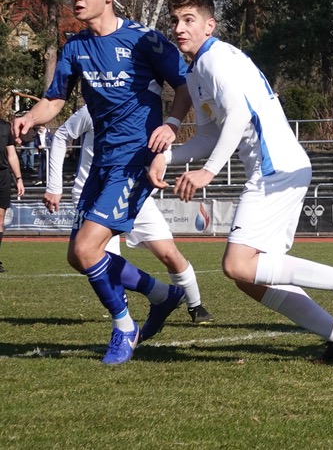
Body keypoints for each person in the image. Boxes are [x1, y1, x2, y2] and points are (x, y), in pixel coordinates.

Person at [148, 0, 333, 362]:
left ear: (209, 25)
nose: (179, 28)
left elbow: (238, 117)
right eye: (174, 21)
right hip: (275, 170)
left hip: (275, 169)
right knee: (250, 279)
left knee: (237, 265)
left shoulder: (216, 61)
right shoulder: (199, 69)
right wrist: (165, 157)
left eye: (188, 20)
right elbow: (207, 136)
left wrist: (206, 172)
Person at [13, 0, 192, 365]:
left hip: (135, 160)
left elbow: (184, 86)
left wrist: (172, 125)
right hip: (101, 163)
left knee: (87, 247)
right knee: (78, 257)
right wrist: (31, 117)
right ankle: (164, 295)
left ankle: (124, 327)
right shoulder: (74, 47)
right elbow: (55, 100)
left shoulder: (144, 39)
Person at [44, 105, 214, 325]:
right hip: (94, 195)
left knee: (169, 253)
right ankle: (129, 318)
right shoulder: (96, 104)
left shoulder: (149, 111)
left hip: (134, 193)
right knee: (93, 260)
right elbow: (62, 134)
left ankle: (195, 306)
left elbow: (156, 154)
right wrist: (54, 186)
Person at [0, 117, 24, 272]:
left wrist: (19, 178)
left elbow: (12, 154)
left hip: (2, 176)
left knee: (0, 220)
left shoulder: (5, 126)